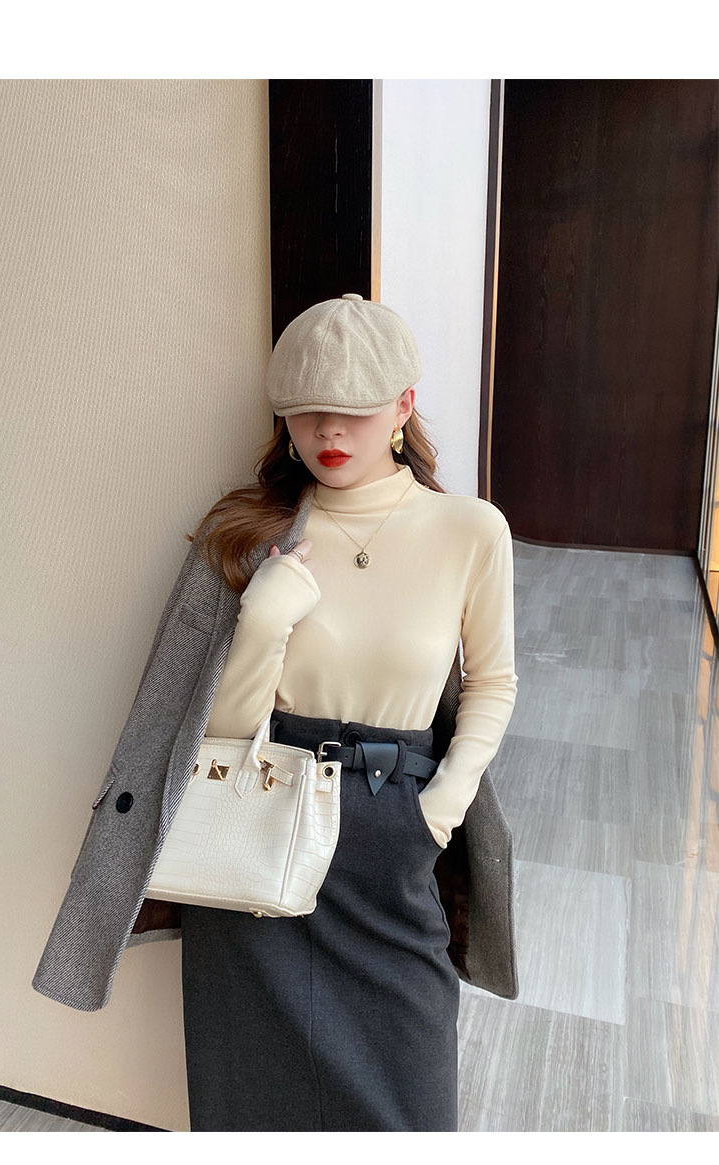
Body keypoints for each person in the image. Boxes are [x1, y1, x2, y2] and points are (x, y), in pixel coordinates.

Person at [178, 292, 519, 1131]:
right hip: (259, 828)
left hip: (391, 828)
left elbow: (493, 682)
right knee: (251, 1104)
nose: (329, 432)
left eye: (355, 411)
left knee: (410, 1106)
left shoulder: (469, 530)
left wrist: (437, 810)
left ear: (402, 407)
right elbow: (221, 734)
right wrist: (263, 619)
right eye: (306, 412)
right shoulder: (250, 529)